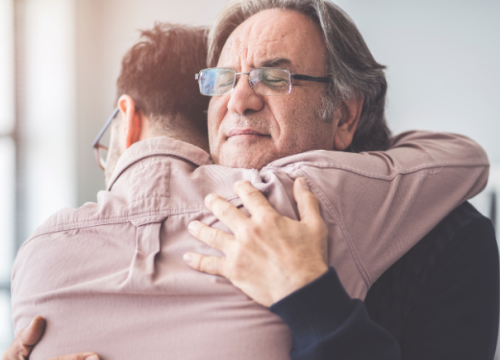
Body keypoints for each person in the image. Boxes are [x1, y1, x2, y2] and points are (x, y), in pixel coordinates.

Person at [4, 1, 497, 359]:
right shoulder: (119, 230)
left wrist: (309, 296)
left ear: (345, 118)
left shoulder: (451, 237)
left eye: (274, 77)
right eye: (222, 80)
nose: (239, 100)